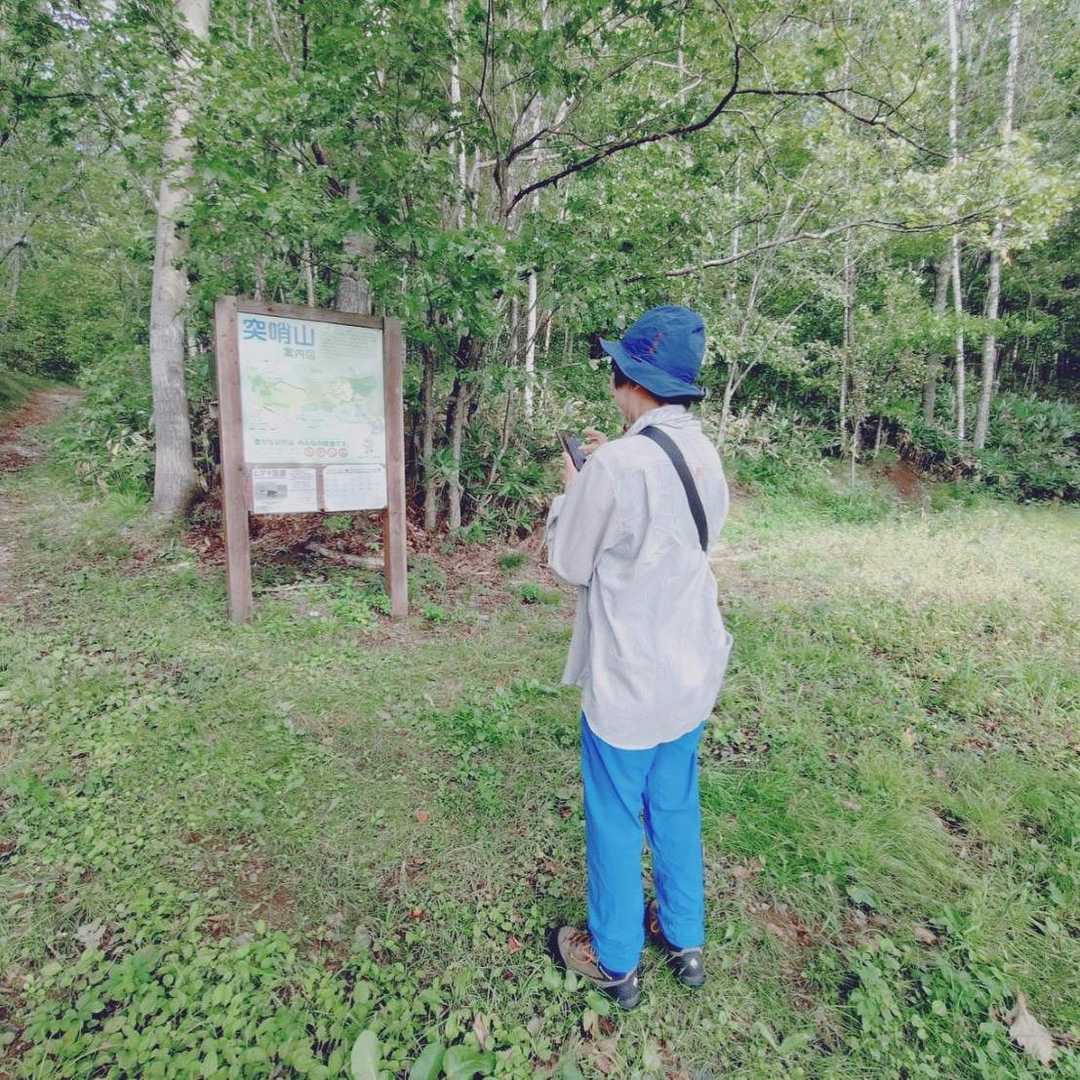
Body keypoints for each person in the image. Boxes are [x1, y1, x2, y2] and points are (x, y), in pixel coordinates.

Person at [545, 305, 733, 1010]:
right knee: (675, 801)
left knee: (617, 814)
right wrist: (606, 465)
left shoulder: (617, 467)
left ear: (629, 377)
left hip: (630, 676)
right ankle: (685, 939)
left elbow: (570, 562)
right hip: (691, 666)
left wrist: (576, 489)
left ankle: (616, 958)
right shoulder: (703, 452)